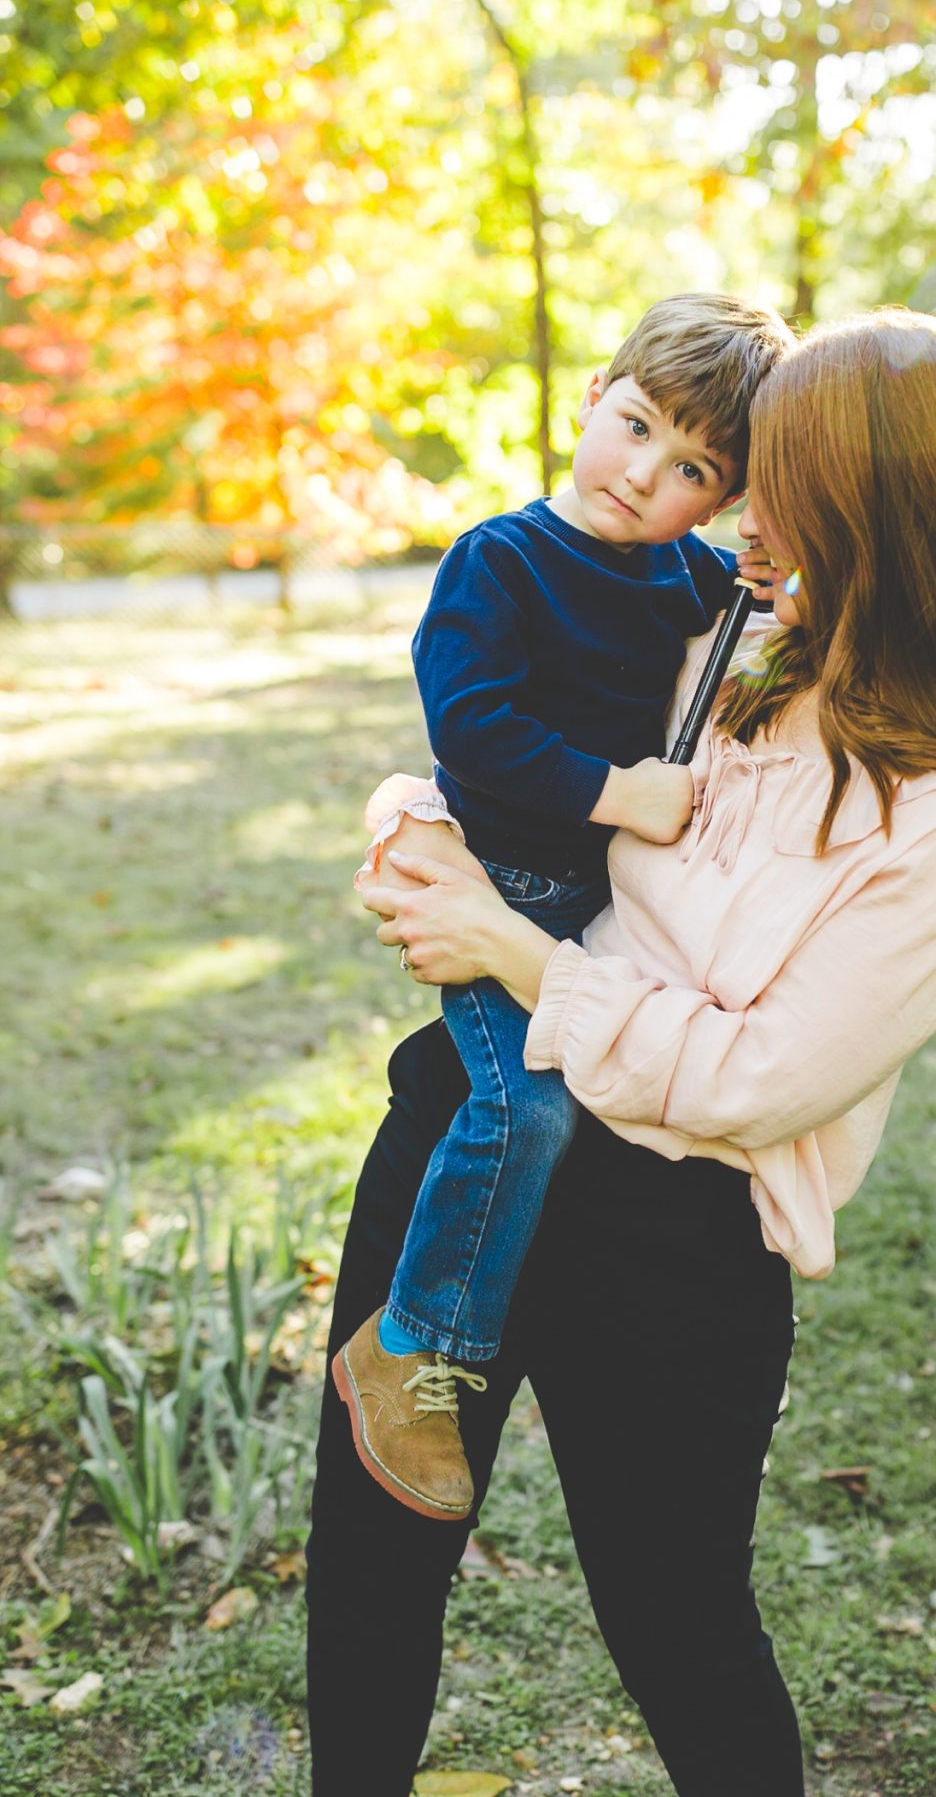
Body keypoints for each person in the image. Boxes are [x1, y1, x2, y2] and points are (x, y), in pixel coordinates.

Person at [307, 308, 936, 1797]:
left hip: (676, 1229)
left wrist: (510, 947)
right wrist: (411, 824)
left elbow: (756, 1076)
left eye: (764, 474)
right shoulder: (728, 655)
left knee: (676, 1617)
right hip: (474, 1126)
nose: (737, 510)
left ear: (872, 511)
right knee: (372, 1568)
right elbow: (501, 748)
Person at [332, 294, 795, 1524]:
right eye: (635, 426)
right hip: (504, 890)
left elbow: (763, 630)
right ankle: (414, 1347)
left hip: (602, 919)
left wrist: (775, 583)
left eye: (693, 467)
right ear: (594, 394)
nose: (642, 476)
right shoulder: (504, 559)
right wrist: (618, 794)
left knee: (625, 1098)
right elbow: (471, 732)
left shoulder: (691, 577)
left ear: (723, 496)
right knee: (524, 1105)